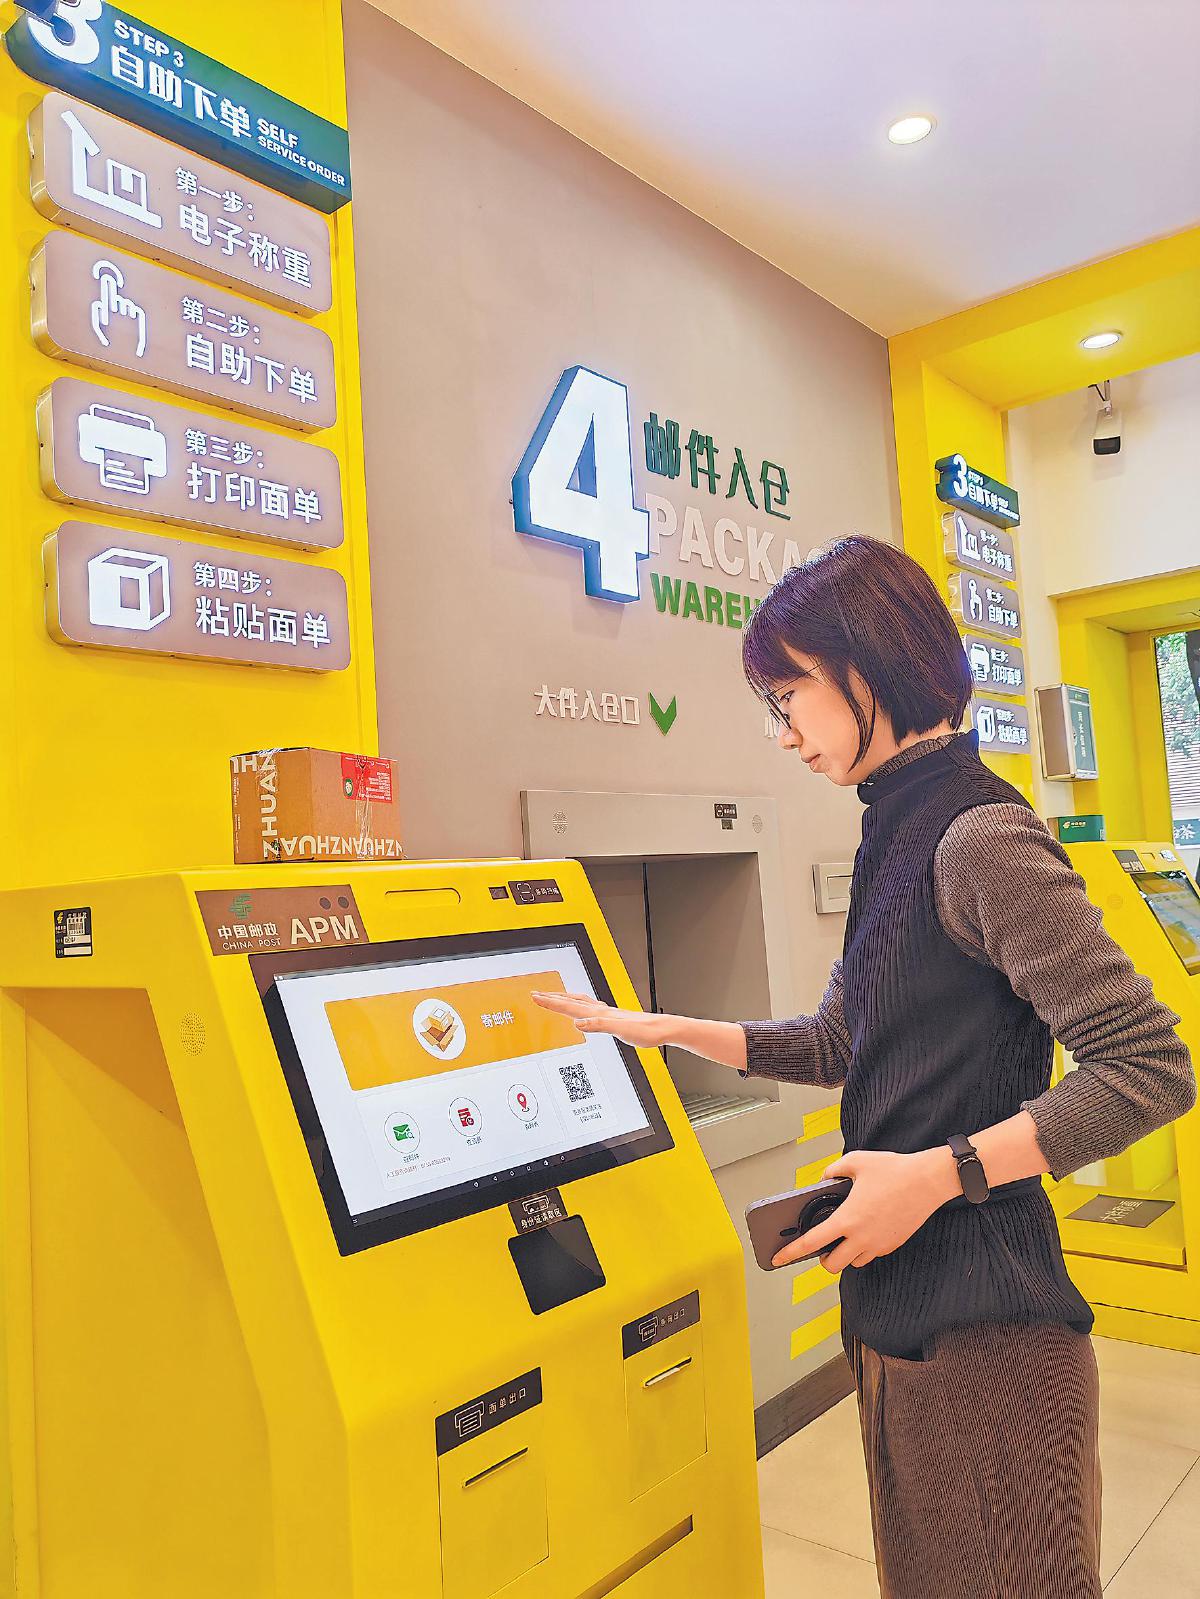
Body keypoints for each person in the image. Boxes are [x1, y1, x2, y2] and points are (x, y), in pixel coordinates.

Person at [532, 536, 1195, 1599]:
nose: (783, 731)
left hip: (989, 1336)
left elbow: (1149, 1066)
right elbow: (844, 1041)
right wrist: (664, 1028)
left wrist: (939, 1173)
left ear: (867, 663)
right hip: (898, 1317)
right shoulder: (893, 824)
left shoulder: (980, 837)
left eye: (789, 694)